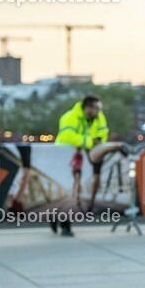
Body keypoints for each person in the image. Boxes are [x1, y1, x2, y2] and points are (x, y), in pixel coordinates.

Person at [52, 95, 127, 236]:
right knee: (70, 187)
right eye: (96, 108)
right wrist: (90, 141)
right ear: (87, 108)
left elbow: (103, 133)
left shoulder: (99, 118)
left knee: (89, 181)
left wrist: (96, 141)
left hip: (88, 153)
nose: (98, 112)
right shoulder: (69, 117)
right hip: (68, 155)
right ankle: (64, 223)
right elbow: (67, 136)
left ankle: (82, 209)